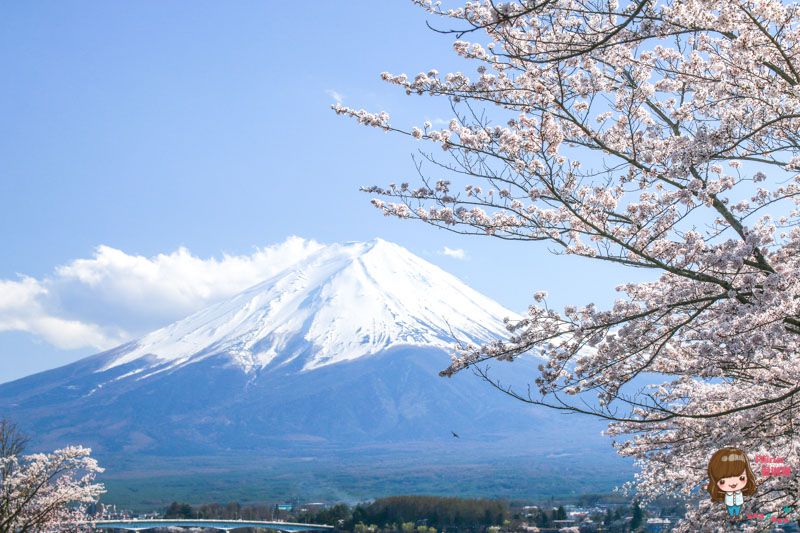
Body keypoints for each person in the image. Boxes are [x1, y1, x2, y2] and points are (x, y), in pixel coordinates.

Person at [706, 448, 758, 518]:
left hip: (739, 501)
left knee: (737, 507)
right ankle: (731, 515)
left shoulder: (740, 492)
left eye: (741, 478)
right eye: (722, 481)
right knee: (730, 508)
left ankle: (736, 515)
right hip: (729, 502)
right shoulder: (726, 493)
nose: (732, 483)